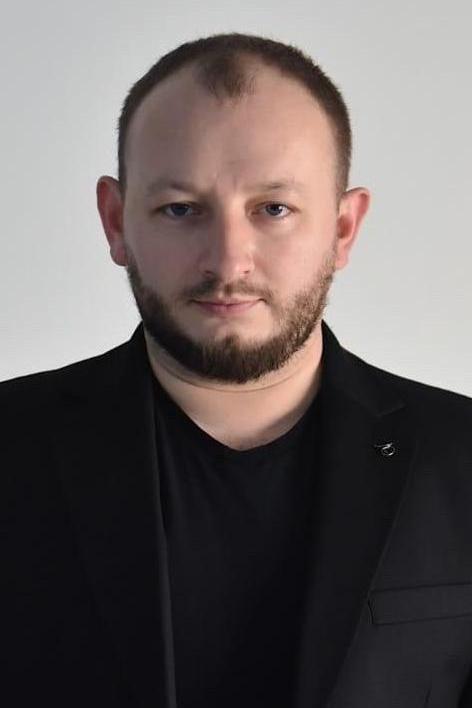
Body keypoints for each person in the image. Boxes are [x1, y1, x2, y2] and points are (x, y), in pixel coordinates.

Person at [2, 31, 472, 708]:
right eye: (181, 209)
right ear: (116, 221)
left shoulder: (461, 457)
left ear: (343, 229)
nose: (227, 261)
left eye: (273, 209)